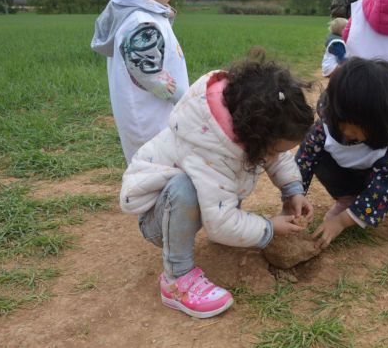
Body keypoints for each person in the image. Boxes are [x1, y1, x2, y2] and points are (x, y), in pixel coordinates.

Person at [119, 49, 315, 318]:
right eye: (273, 150)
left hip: (205, 194)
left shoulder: (245, 121)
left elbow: (274, 156)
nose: (274, 157)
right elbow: (219, 224)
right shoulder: (208, 147)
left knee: (233, 170)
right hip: (159, 220)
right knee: (185, 187)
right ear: (255, 136)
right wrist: (269, 228)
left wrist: (291, 190)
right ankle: (177, 279)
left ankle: (224, 226)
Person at [296, 58, 388, 249]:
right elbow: (304, 161)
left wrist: (341, 221)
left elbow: (385, 187)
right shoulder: (325, 126)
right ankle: (347, 199)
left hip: (384, 177)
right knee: (316, 154)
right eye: (342, 122)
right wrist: (294, 196)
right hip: (347, 170)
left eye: (358, 128)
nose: (348, 133)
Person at [91, 0, 189, 163]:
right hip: (149, 120)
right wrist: (186, 98)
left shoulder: (139, 17)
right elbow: (149, 72)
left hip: (151, 115)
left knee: (151, 167)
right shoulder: (140, 22)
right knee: (154, 169)